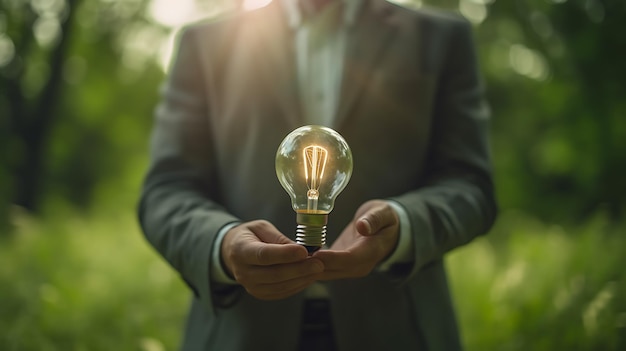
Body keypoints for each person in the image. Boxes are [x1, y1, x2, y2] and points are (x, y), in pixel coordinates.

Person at [137, 0, 497, 349]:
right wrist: (222, 244)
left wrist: (403, 226)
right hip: (243, 331)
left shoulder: (439, 37)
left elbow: (471, 185)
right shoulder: (206, 44)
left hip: (394, 330)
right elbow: (167, 189)